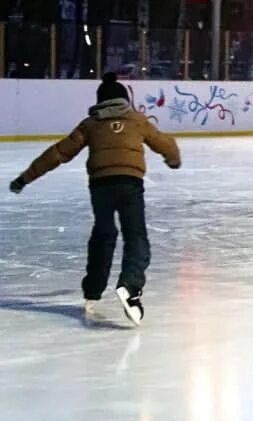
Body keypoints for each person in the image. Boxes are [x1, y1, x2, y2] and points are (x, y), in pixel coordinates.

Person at [8, 73, 181, 326]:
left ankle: (93, 290)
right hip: (130, 183)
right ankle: (130, 286)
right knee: (136, 237)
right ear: (124, 100)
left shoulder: (90, 124)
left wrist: (25, 178)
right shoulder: (137, 120)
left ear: (100, 101)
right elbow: (166, 144)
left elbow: (58, 153)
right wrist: (173, 161)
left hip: (101, 186)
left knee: (103, 234)